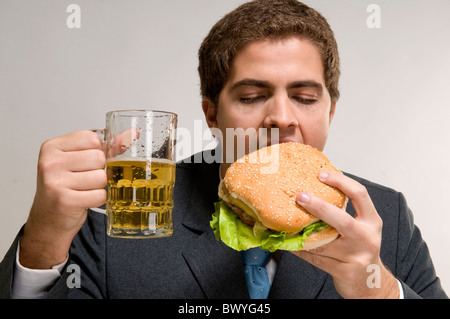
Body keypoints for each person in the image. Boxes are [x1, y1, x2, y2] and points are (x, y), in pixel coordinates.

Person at [0, 0, 447, 299]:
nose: (282, 117)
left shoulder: (385, 217)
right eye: (252, 96)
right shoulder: (126, 213)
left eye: (306, 97)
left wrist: (381, 291)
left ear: (329, 112)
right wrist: (44, 241)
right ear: (211, 114)